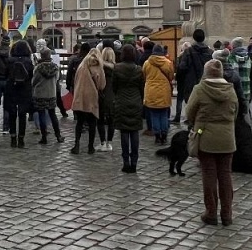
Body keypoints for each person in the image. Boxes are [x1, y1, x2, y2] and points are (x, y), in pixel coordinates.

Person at [185, 59, 238, 224]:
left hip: (205, 135)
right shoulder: (230, 90)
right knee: (225, 175)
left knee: (209, 175)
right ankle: (227, 214)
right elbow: (235, 112)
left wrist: (199, 124)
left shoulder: (200, 89)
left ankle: (211, 212)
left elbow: (189, 112)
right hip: (227, 137)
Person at [107, 45, 146, 173]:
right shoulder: (138, 69)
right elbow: (142, 87)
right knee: (134, 132)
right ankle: (134, 162)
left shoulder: (117, 68)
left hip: (121, 101)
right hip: (135, 101)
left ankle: (126, 162)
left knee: (124, 132)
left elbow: (114, 87)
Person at [70, 46, 106, 154]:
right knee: (92, 123)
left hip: (80, 96)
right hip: (92, 96)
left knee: (80, 122)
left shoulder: (82, 65)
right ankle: (90, 147)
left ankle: (76, 145)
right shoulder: (98, 66)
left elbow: (75, 80)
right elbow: (101, 84)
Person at [174, 29, 213, 125]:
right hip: (206, 83)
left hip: (191, 83)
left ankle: (192, 128)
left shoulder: (188, 52)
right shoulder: (210, 52)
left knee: (192, 106)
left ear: (194, 38)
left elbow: (182, 68)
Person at [4, 40, 35, 148]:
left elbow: (5, 74)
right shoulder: (28, 61)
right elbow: (31, 75)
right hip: (24, 89)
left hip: (11, 88)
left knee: (12, 114)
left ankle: (13, 138)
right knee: (22, 115)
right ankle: (21, 139)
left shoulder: (9, 60)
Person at [143, 45, 175, 144]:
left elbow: (144, 75)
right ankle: (164, 136)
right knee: (164, 115)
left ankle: (157, 136)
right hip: (164, 90)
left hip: (151, 91)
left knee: (154, 115)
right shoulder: (168, 63)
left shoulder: (147, 63)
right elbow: (171, 76)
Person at [32, 48, 63, 144]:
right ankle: (58, 135)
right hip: (51, 93)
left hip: (40, 94)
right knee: (53, 114)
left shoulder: (38, 68)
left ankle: (44, 137)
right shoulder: (55, 67)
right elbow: (57, 79)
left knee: (41, 115)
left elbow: (34, 81)